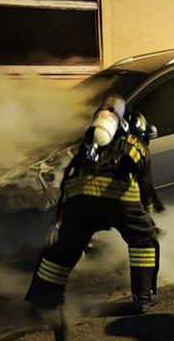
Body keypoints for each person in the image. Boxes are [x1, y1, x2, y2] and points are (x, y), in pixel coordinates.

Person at [25, 95, 164, 316]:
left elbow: (70, 178)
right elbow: (146, 189)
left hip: (79, 201)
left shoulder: (91, 144)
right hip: (117, 199)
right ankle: (143, 296)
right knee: (143, 239)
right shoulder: (136, 145)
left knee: (65, 250)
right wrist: (148, 218)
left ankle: (41, 302)